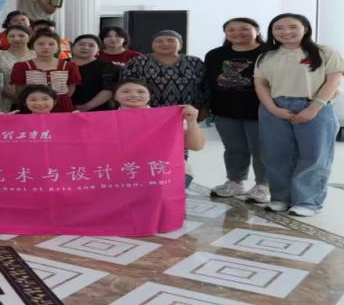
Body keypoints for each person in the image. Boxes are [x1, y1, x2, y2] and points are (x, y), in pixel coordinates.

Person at [254, 14, 342, 216]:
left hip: (314, 106)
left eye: (293, 27)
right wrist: (273, 109)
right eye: (279, 28)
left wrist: (313, 108)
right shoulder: (266, 56)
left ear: (306, 28)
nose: (286, 32)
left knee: (314, 155)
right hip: (274, 108)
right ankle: (280, 198)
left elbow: (333, 81)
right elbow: (261, 84)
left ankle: (308, 201)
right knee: (276, 155)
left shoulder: (325, 51)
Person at [204, 18, 269, 202]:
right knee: (234, 147)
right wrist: (206, 106)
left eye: (244, 29)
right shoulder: (215, 54)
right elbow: (208, 82)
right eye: (231, 30)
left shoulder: (268, 53)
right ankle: (235, 182)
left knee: (261, 148)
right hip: (225, 109)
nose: (237, 33)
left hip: (261, 109)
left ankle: (263, 185)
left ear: (257, 31)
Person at [113, 79, 206, 186]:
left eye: (141, 91)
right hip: (121, 172)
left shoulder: (168, 118)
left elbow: (196, 146)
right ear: (115, 96)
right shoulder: (104, 121)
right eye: (126, 91)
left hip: (165, 172)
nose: (134, 95)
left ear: (149, 96)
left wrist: (192, 121)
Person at [121, 30, 207, 109]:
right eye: (159, 41)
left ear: (180, 45)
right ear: (152, 45)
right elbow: (124, 86)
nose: (165, 44)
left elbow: (206, 87)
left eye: (171, 40)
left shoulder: (194, 62)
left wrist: (204, 108)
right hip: (146, 111)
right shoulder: (138, 62)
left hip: (187, 112)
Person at [11, 31, 81, 113]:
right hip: (33, 106)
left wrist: (59, 98)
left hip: (62, 105)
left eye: (51, 44)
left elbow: (71, 88)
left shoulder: (69, 66)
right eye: (40, 44)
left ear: (58, 47)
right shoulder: (21, 66)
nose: (46, 47)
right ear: (33, 46)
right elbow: (20, 90)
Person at [70, 34, 118, 112]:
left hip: (97, 110)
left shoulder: (107, 66)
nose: (85, 48)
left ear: (98, 50)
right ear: (72, 47)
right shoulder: (60, 64)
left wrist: (85, 107)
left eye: (91, 45)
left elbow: (108, 89)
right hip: (61, 109)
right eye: (81, 44)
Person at [0, 26, 35, 111]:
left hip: (36, 100)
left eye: (21, 36)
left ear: (29, 37)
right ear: (7, 38)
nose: (16, 39)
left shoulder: (37, 55)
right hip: (5, 100)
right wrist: (14, 97)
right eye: (12, 36)